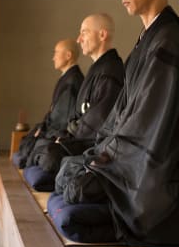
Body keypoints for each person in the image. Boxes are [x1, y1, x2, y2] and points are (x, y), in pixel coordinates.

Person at [55, 0, 179, 247]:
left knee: (70, 213)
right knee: (66, 179)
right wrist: (97, 156)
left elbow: (148, 129)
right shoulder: (147, 41)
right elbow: (116, 119)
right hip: (126, 164)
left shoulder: (169, 41)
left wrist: (104, 163)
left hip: (149, 183)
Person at [25, 13, 124, 179]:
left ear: (102, 35)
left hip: (92, 144)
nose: (79, 39)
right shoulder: (97, 69)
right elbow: (77, 115)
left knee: (50, 153)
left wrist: (66, 140)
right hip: (78, 138)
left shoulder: (111, 71)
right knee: (40, 146)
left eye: (84, 32)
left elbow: (97, 122)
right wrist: (64, 136)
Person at [12, 39, 84, 168]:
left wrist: (43, 131)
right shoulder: (67, 78)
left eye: (56, 53)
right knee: (28, 142)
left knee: (35, 146)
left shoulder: (73, 81)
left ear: (68, 55)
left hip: (59, 133)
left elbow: (61, 119)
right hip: (52, 127)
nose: (53, 58)